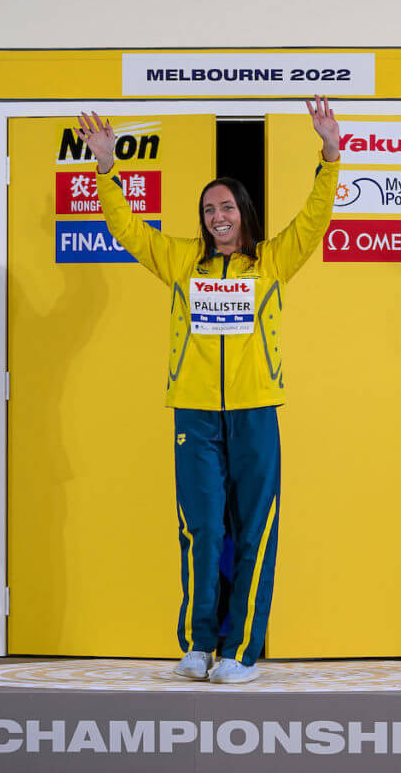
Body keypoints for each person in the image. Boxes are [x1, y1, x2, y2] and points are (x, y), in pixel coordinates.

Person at [75, 98, 340, 683]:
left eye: (225, 206)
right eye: (207, 209)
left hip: (254, 413)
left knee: (255, 531)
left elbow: (316, 218)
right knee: (200, 527)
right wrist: (105, 169)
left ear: (243, 212)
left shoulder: (272, 262)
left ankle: (242, 652)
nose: (217, 216)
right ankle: (197, 645)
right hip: (193, 413)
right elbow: (126, 229)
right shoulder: (181, 261)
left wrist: (329, 153)